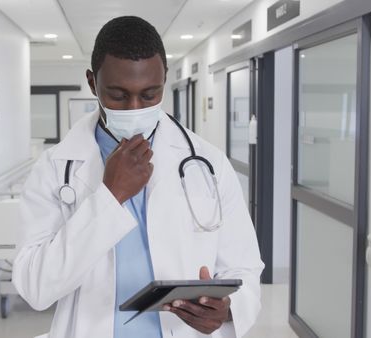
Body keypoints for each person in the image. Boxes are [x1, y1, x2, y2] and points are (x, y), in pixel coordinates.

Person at [13, 16, 263, 338]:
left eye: (149, 95)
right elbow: (35, 287)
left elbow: (244, 268)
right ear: (93, 83)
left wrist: (227, 310)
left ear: (164, 80)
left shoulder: (209, 164)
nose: (134, 108)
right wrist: (110, 196)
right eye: (117, 95)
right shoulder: (54, 168)